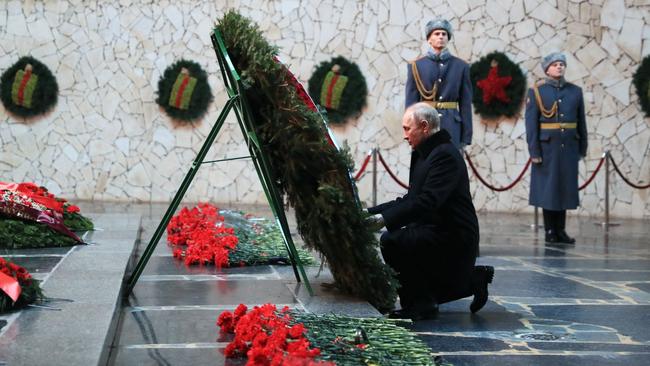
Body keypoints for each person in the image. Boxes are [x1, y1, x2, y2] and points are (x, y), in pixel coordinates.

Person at [367, 102, 493, 320]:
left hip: (454, 235)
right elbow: (411, 198)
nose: (405, 136)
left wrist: (384, 220)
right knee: (405, 242)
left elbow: (428, 201)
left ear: (424, 126)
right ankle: (472, 280)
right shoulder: (424, 152)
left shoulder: (445, 155)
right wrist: (370, 212)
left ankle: (421, 304)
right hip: (434, 228)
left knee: (393, 241)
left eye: (408, 128)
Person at [525, 52, 588, 244]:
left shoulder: (575, 91)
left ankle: (561, 230)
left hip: (568, 147)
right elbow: (531, 124)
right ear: (547, 69)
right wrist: (534, 151)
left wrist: (582, 146)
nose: (559, 67)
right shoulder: (537, 91)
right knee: (549, 190)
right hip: (547, 149)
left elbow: (581, 122)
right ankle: (550, 231)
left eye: (562, 64)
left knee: (565, 189)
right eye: (555, 64)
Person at [404, 18, 473, 149]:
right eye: (436, 34)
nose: (441, 36)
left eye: (444, 34)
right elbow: (410, 104)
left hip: (452, 127)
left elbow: (465, 104)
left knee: (451, 167)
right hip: (424, 127)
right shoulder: (416, 67)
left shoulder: (460, 66)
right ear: (429, 39)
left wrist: (466, 136)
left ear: (448, 39)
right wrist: (410, 132)